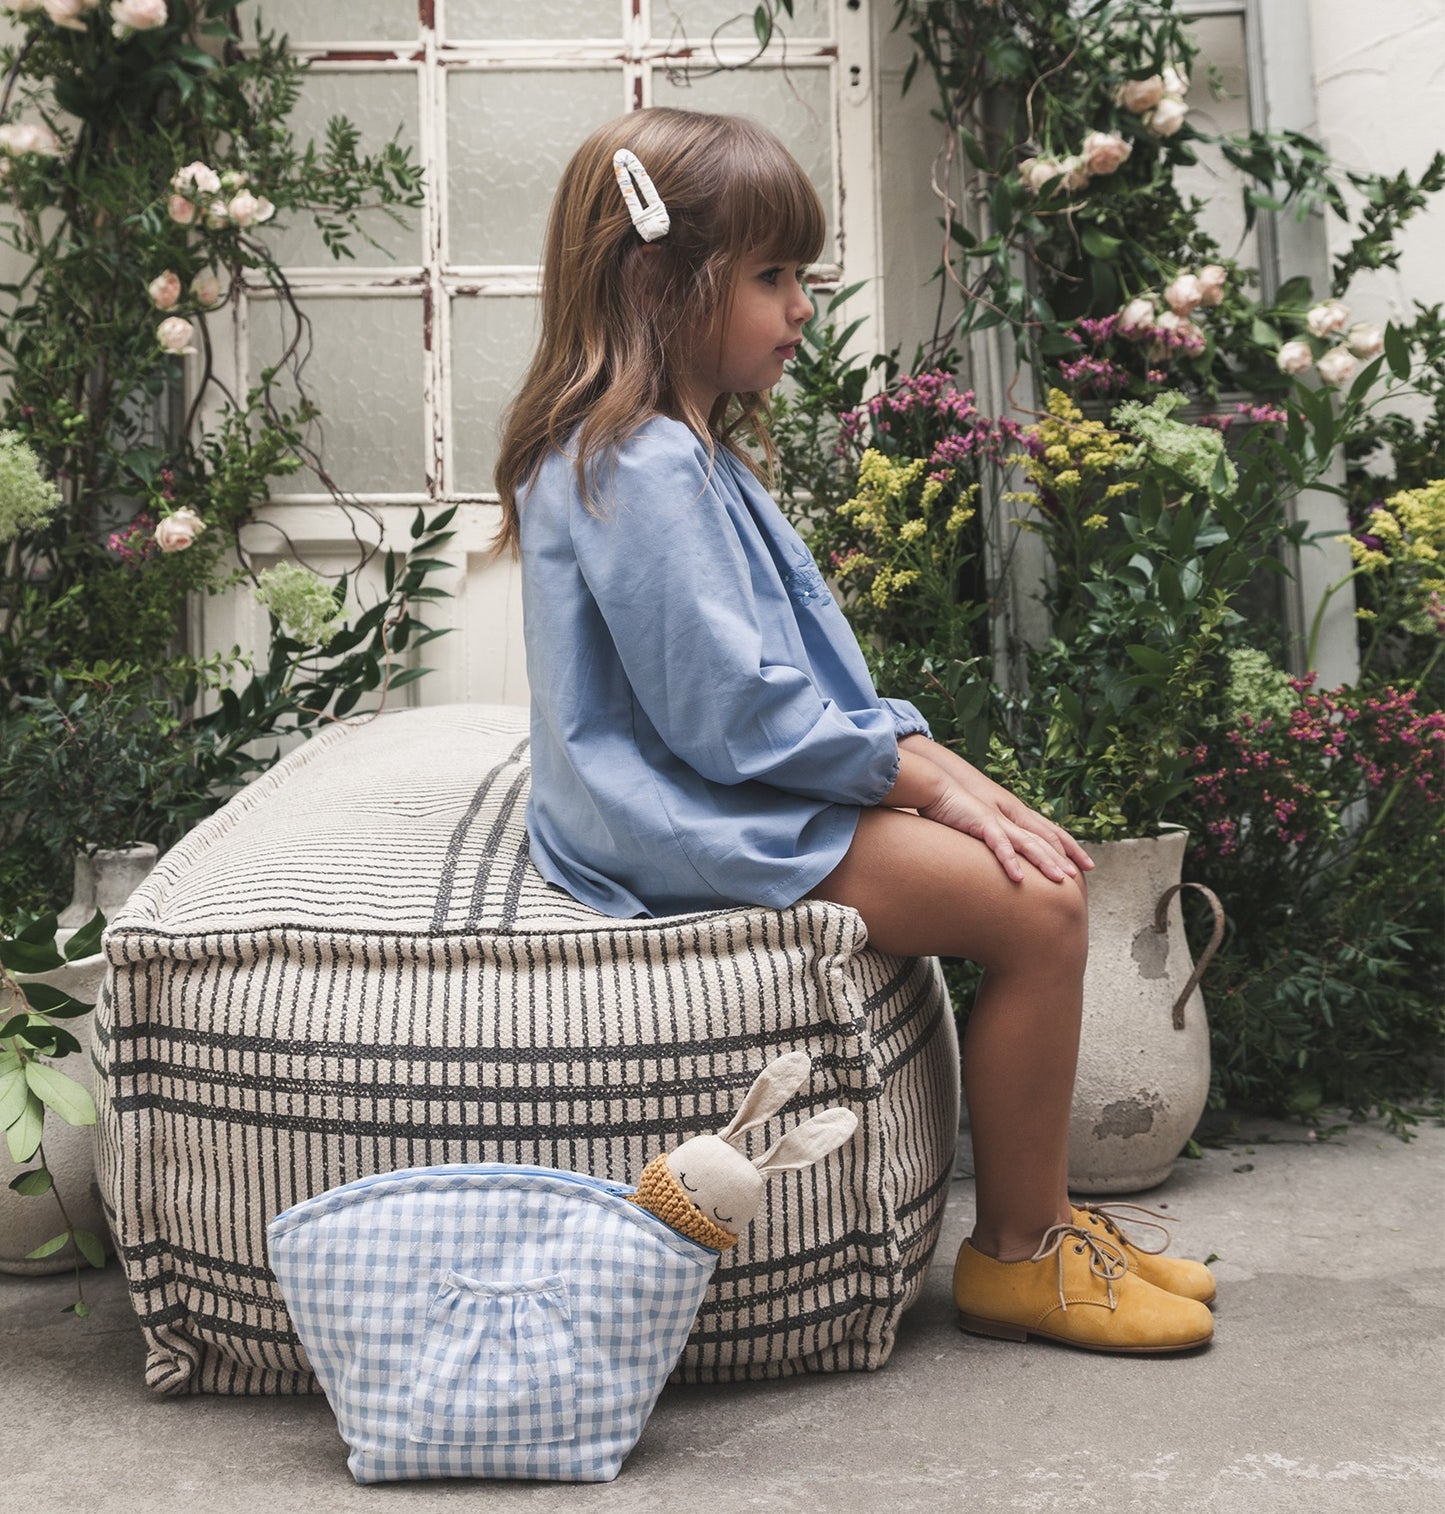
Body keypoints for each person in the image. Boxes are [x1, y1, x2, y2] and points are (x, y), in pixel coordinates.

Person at [492, 107, 1215, 1354]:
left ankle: (1040, 1222)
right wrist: (913, 775)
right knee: (1037, 908)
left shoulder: (676, 450)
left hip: (716, 780)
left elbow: (765, 687)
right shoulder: (641, 464)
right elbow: (729, 715)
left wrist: (927, 763)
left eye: (802, 277)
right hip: (683, 814)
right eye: (770, 277)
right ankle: (1016, 1255)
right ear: (657, 278)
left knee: (1024, 856)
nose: (799, 309)